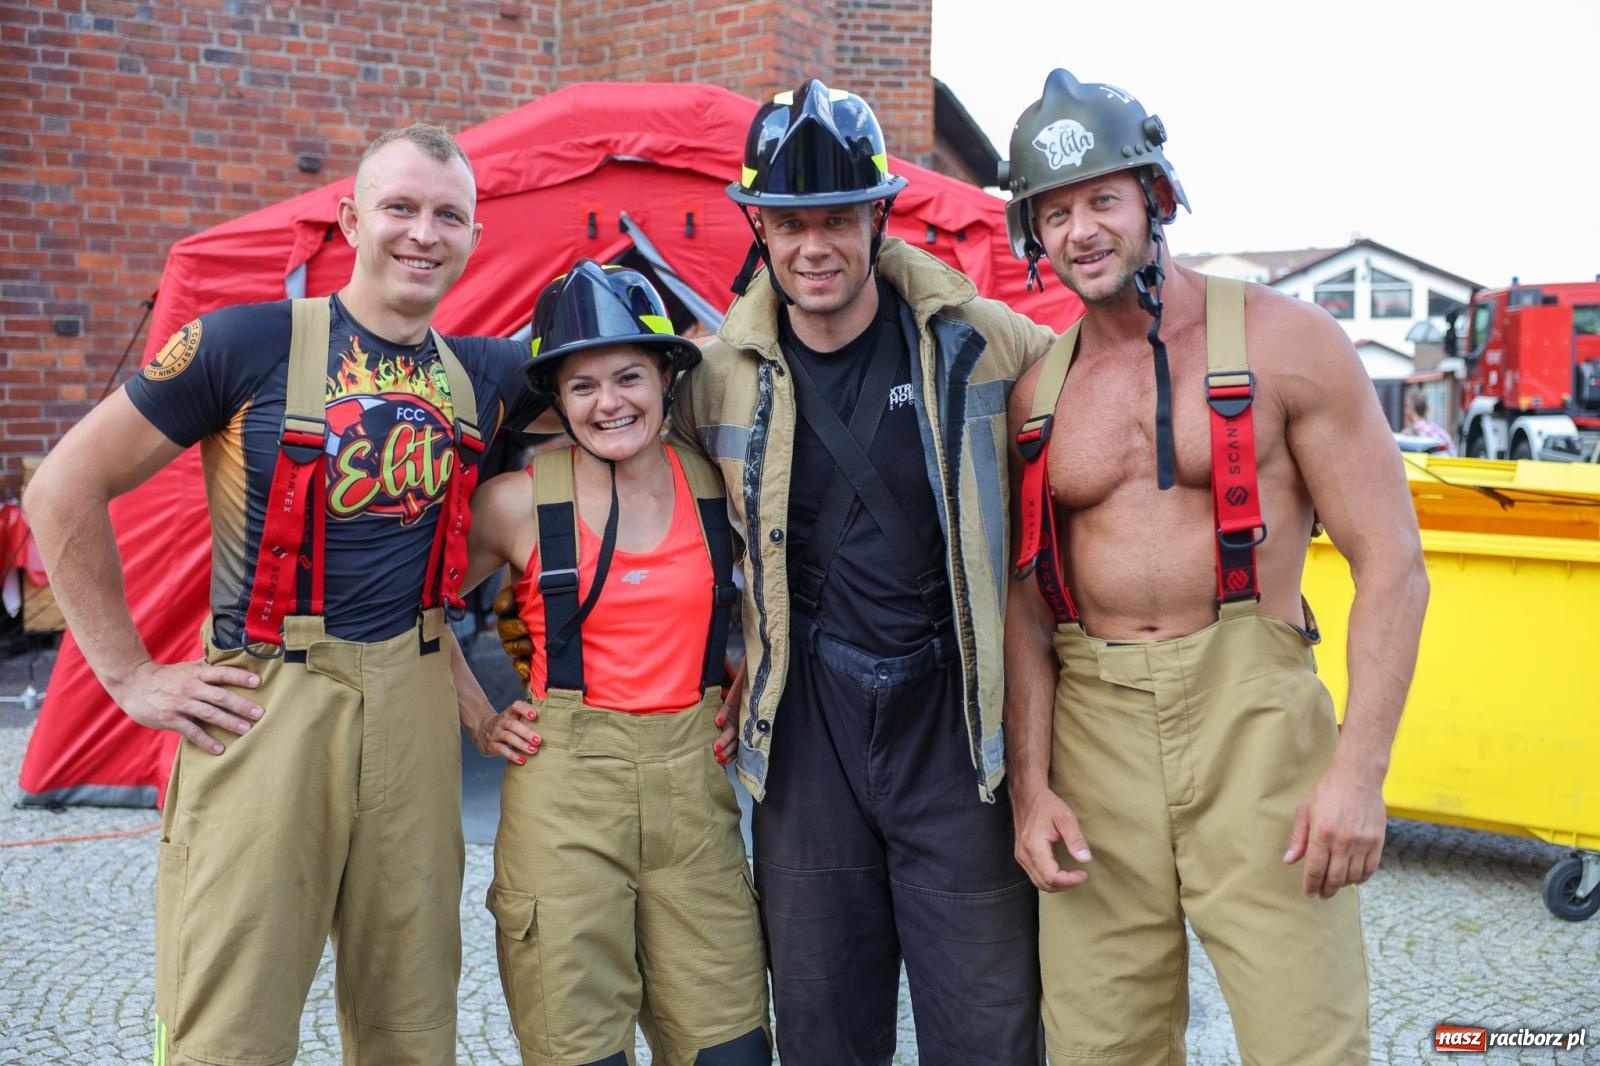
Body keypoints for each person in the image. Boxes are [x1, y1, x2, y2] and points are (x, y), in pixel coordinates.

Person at [23, 123, 541, 1066]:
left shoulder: (492, 373)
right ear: (350, 219)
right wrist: (130, 677)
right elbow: (60, 487)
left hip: (414, 703)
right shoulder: (240, 343)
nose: (424, 233)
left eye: (449, 215)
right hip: (269, 701)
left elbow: (671, 368)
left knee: (412, 1016)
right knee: (231, 1020)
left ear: (473, 238)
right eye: (401, 207)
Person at [999, 68, 1429, 1065]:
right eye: (1054, 211)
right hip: (1092, 729)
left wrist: (1358, 776)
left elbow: (1393, 566)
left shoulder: (1293, 346)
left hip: (1254, 718)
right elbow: (1026, 608)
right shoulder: (1035, 393)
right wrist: (1030, 789)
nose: (1081, 231)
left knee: (1303, 1036)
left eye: (1102, 198)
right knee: (1099, 1044)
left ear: (1157, 197)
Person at [669, 80, 1056, 1066]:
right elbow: (637, 503)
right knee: (823, 1028)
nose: (812, 246)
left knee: (985, 1027)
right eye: (789, 221)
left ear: (878, 214)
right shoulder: (712, 378)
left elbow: (1112, 425)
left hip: (956, 731)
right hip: (807, 736)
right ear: (757, 223)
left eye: (836, 218)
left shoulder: (982, 345)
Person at [455, 260, 771, 1066]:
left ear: (668, 378)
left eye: (629, 376)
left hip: (696, 794)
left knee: (728, 1046)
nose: (610, 404)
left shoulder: (721, 489)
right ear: (556, 398)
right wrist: (480, 716)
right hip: (563, 799)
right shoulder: (515, 504)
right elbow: (411, 611)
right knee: (578, 1050)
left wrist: (745, 690)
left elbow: (778, 601)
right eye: (583, 385)